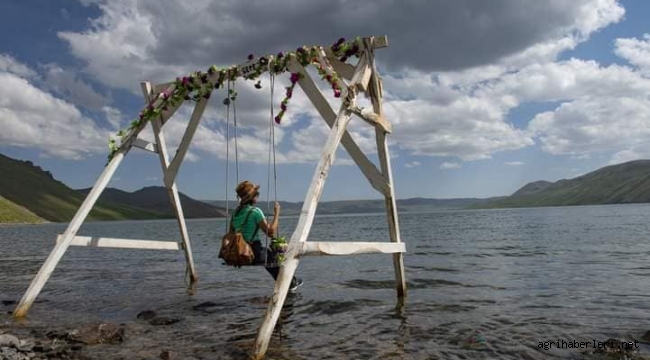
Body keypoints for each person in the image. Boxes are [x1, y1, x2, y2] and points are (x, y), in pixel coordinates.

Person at [231, 180, 303, 292]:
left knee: (269, 256)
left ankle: (288, 285)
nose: (258, 197)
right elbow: (270, 232)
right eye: (257, 195)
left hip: (239, 252)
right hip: (254, 252)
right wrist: (277, 213)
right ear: (253, 197)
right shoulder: (255, 211)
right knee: (273, 257)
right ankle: (290, 283)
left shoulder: (235, 212)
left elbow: (231, 233)